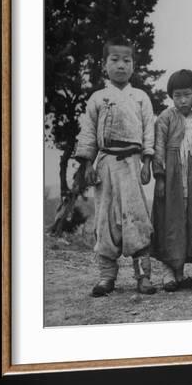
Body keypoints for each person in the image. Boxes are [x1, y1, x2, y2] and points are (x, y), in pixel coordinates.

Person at [75, 38, 157, 297]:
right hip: (106, 165)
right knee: (105, 219)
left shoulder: (141, 97)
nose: (121, 65)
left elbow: (148, 132)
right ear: (104, 64)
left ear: (134, 65)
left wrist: (147, 161)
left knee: (137, 218)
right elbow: (88, 133)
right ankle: (106, 277)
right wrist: (87, 164)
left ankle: (143, 276)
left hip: (132, 165)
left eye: (127, 60)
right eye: (115, 60)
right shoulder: (98, 98)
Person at [152, 69, 192, 292]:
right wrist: (161, 178)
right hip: (171, 179)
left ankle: (180, 272)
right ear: (171, 96)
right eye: (177, 95)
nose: (183, 100)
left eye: (187, 95)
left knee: (186, 223)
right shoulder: (165, 118)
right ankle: (167, 272)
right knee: (169, 223)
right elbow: (158, 149)